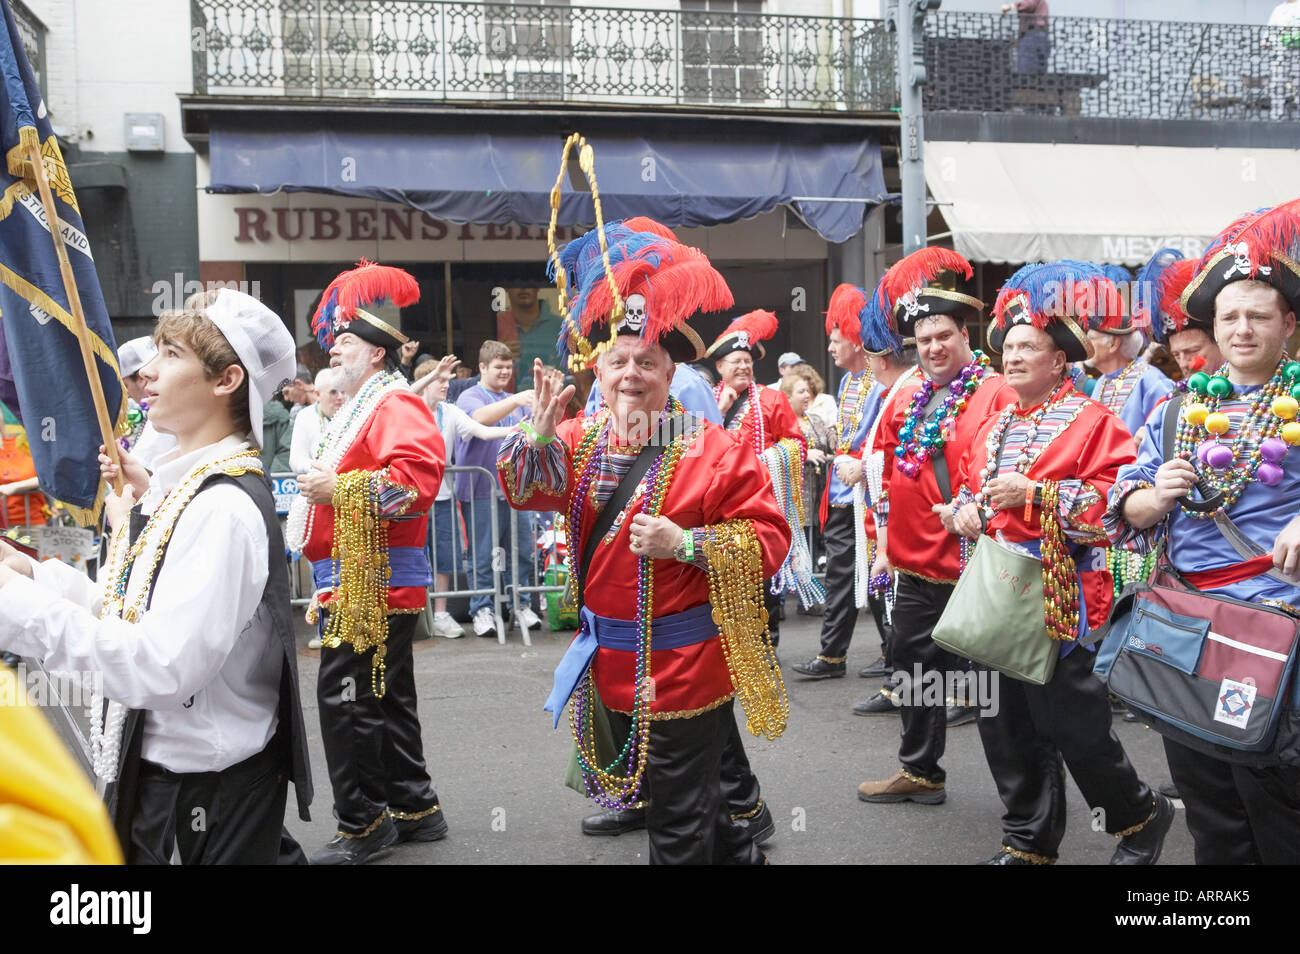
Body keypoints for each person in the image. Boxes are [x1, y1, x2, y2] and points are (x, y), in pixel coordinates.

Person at [499, 219, 789, 864]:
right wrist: (538, 436)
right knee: (678, 797)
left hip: (683, 665)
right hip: (608, 661)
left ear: (670, 372)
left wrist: (686, 544)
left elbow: (770, 539)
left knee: (677, 825)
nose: (632, 373)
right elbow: (523, 491)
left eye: (647, 362)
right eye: (618, 361)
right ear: (598, 371)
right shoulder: (579, 438)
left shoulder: (709, 447)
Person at [0, 288, 313, 864]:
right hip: (168, 779)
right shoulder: (183, 487)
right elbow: (131, 610)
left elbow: (160, 666)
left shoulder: (221, 508)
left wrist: (16, 604)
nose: (146, 371)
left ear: (226, 381)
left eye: (170, 354)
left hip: (206, 796)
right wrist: (38, 577)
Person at [948, 261, 1174, 865]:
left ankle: (1140, 817)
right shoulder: (992, 425)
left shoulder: (1095, 422)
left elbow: (1115, 511)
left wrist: (1038, 495)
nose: (1014, 356)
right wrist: (966, 512)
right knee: (1004, 725)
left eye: (1030, 347)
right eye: (1010, 346)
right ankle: (1028, 841)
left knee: (1074, 727)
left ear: (1059, 362)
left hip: (1060, 594)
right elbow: (972, 494)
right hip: (996, 590)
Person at [1106, 202, 1300, 864]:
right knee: (1212, 819)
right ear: (1213, 327)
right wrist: (1149, 497)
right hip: (1189, 637)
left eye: (1260, 315)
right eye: (1231, 317)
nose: (1244, 329)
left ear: (1290, 324)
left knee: (1281, 816)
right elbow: (1122, 505)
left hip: (1278, 639)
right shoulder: (1176, 413)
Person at [286, 261, 448, 865]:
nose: (335, 346)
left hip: (369, 578)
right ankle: (413, 807)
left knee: (346, 697)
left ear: (378, 355)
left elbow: (414, 483)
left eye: (347, 341)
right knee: (383, 694)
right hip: (364, 575)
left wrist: (340, 490)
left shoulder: (394, 404)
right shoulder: (369, 405)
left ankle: (364, 823)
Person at [853, 247, 1017, 805]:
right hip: (916, 565)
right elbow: (888, 477)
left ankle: (1025, 807)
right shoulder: (910, 398)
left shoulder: (996, 390)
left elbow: (1004, 462)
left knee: (995, 690)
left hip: (972, 563)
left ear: (965, 335)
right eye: (923, 341)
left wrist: (974, 503)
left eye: (943, 335)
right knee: (912, 666)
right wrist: (881, 547)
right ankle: (921, 771)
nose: (933, 347)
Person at [791, 283, 919, 687]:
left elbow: (883, 442)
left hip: (868, 492)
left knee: (867, 573)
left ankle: (873, 656)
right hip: (845, 491)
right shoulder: (848, 384)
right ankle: (873, 654)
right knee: (850, 573)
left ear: (856, 341)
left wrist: (860, 464)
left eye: (835, 338)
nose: (830, 347)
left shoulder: (882, 384)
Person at [707, 309, 811, 642]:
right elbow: (689, 444)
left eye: (747, 361)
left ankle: (767, 639)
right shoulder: (706, 401)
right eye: (735, 361)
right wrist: (718, 413)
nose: (743, 367)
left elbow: (797, 444)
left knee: (761, 570)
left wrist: (769, 459)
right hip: (717, 504)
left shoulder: (772, 399)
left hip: (760, 501)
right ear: (720, 367)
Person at [412, 355, 514, 638]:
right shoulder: (410, 407)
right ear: (427, 383)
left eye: (447, 381)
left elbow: (480, 430)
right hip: (409, 497)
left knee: (445, 558)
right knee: (411, 556)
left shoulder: (450, 411)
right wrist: (432, 375)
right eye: (440, 381)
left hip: (442, 496)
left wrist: (517, 430)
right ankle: (413, 614)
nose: (446, 385)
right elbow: (404, 394)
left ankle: (442, 614)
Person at [455, 339, 539, 637]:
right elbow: (478, 419)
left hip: (515, 491)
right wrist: (516, 400)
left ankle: (520, 603)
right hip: (480, 490)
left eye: (508, 366)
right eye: (498, 367)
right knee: (483, 554)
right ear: (482, 368)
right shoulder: (469, 396)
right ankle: (482, 609)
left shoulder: (515, 400)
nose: (505, 372)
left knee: (521, 551)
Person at [1085, 266, 1175, 441]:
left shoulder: (1150, 380)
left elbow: (1165, 431)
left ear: (1113, 344)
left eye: (1091, 339)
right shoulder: (1102, 381)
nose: (1086, 346)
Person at [780, 364, 834, 556]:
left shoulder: (815, 419)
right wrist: (804, 454)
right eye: (801, 391)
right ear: (787, 396)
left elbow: (831, 445)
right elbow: (777, 450)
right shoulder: (781, 422)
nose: (807, 395)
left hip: (819, 495)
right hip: (796, 498)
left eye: (808, 391)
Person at [497, 286, 565, 387]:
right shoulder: (498, 325)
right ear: (507, 287)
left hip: (552, 397)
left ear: (538, 286)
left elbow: (570, 374)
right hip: (505, 399)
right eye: (515, 281)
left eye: (528, 281)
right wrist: (497, 357)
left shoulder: (560, 326)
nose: (523, 288)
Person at [289, 367, 346, 474]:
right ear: (318, 394)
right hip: (318, 481)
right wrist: (320, 470)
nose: (340, 397)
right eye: (333, 392)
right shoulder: (304, 416)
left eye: (343, 391)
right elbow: (296, 460)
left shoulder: (353, 413)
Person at [1002, 0, 1050, 74]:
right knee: (1039, 69)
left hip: (1033, 35)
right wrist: (1019, 38)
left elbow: (1028, 5)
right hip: (1038, 35)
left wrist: (1010, 7)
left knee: (1026, 70)